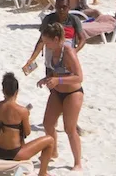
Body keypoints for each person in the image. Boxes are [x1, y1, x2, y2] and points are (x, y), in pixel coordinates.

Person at [39, 22, 84, 171]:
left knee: (69, 129)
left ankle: (78, 162)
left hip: (73, 93)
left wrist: (58, 80)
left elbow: (79, 77)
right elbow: (55, 71)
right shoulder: (52, 50)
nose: (45, 44)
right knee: (48, 123)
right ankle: (54, 151)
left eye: (47, 41)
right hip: (57, 92)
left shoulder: (68, 51)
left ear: (57, 39)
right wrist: (47, 79)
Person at [0, 73, 55, 175]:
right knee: (50, 140)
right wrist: (26, 116)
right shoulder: (22, 111)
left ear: (3, 91)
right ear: (17, 92)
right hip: (13, 153)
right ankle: (43, 172)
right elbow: (28, 132)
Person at [23, 0, 86, 74]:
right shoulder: (49, 19)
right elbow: (41, 40)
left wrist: (73, 52)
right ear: (55, 7)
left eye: (64, 7)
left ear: (69, 7)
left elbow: (82, 39)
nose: (61, 10)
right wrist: (32, 59)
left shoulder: (74, 20)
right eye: (59, 7)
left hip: (67, 60)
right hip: (50, 59)